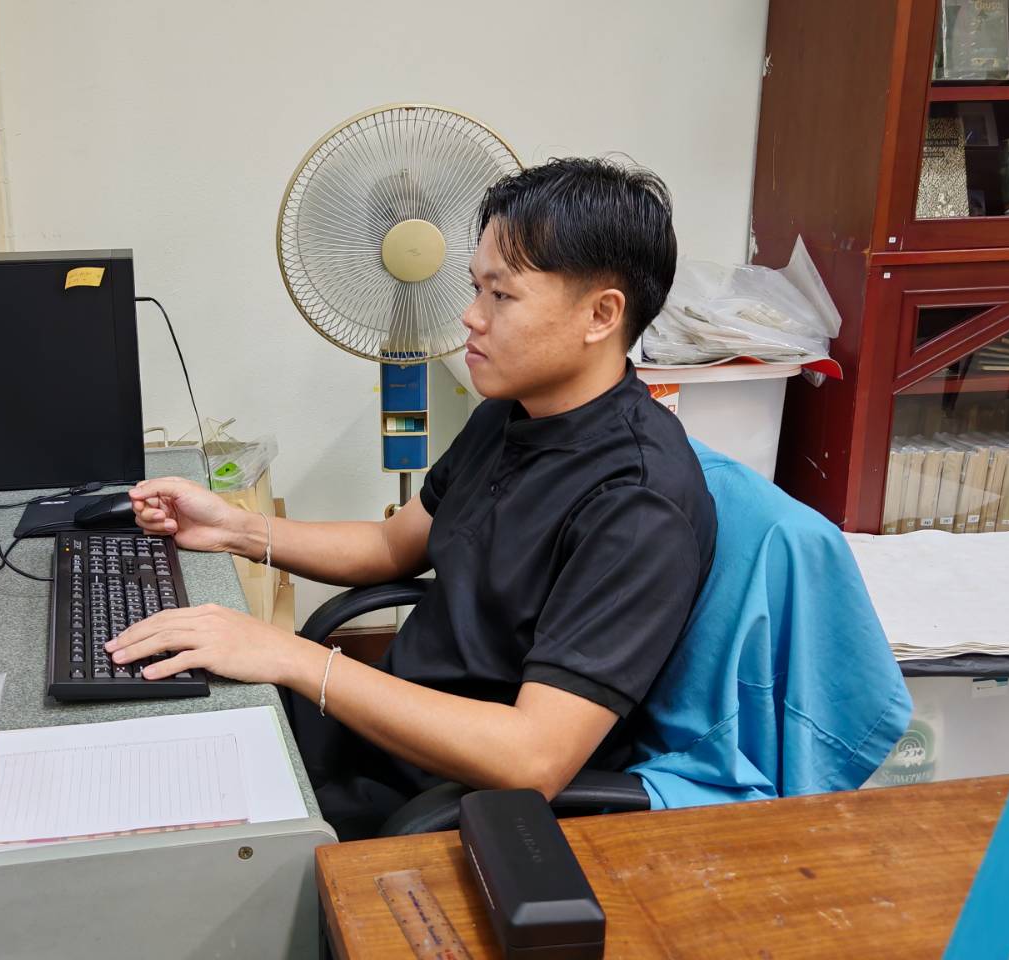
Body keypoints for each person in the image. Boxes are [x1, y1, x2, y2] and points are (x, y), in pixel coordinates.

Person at [107, 157, 717, 838]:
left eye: (501, 296)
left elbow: (533, 757)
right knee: (139, 735)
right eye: (475, 288)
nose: (470, 317)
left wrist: (291, 656)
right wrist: (234, 530)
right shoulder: (511, 412)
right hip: (371, 725)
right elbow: (390, 544)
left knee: (164, 838)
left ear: (601, 314)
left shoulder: (636, 508)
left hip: (433, 799)